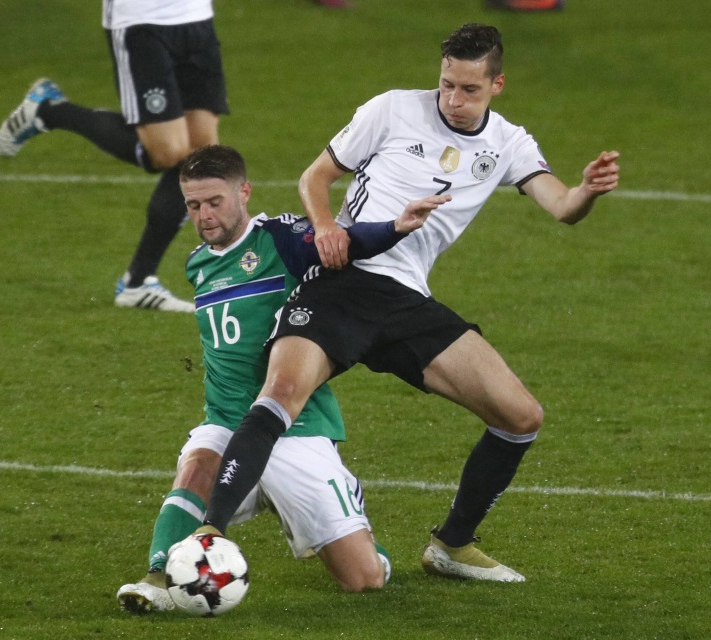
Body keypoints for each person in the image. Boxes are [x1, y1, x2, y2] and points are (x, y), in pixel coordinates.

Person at [196, 23, 620, 583]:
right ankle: (211, 533)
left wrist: (586, 191)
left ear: (497, 84)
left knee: (520, 416)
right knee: (279, 394)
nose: (453, 100)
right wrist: (326, 228)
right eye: (446, 85)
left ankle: (452, 545)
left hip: (405, 301)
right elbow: (317, 175)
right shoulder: (393, 110)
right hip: (342, 281)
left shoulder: (510, 144)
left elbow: (562, 206)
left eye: (469, 89)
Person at [116, 145, 447, 612]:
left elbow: (342, 244)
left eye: (215, 202)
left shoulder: (280, 240)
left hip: (294, 426)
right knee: (196, 465)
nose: (205, 216)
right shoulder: (198, 263)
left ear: (244, 192)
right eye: (193, 205)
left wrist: (395, 227)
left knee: (363, 580)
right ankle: (158, 578)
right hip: (229, 419)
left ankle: (354, 534)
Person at [0, 0, 231, 312]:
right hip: (141, 22)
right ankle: (50, 112)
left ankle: (138, 281)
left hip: (196, 18)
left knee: (202, 159)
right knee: (168, 152)